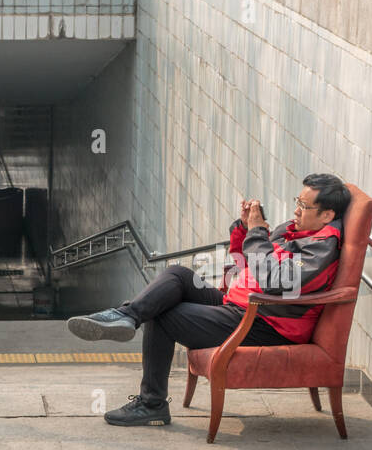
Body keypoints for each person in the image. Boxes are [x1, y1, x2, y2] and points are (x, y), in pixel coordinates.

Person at [66, 172, 350, 426]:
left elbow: (271, 279)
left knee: (164, 315)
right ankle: (126, 315)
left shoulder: (320, 251)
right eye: (297, 201)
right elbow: (243, 261)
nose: (296, 210)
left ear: (327, 215)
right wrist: (245, 226)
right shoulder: (295, 230)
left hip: (263, 322)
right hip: (239, 305)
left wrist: (256, 232)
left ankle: (152, 404)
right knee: (177, 274)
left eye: (304, 206)